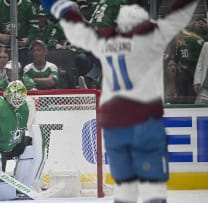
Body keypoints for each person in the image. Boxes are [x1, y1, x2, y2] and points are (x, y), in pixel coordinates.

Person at [40, 0, 199, 202]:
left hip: (116, 123)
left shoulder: (107, 41)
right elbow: (178, 15)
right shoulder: (152, 38)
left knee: (125, 186)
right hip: (146, 120)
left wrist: (55, 5)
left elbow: (78, 29)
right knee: (154, 186)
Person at [0, 80, 43, 191]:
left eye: (20, 97)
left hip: (13, 145)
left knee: (31, 148)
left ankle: (23, 185)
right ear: (8, 94)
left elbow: (25, 129)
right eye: (15, 96)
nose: (17, 100)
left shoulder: (25, 106)